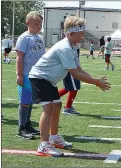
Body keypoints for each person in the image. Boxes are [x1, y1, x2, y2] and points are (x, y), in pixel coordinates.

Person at [29, 15, 111, 157]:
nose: (83, 36)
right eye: (81, 33)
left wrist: (95, 80)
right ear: (71, 34)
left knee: (57, 105)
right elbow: (75, 74)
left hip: (48, 80)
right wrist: (96, 82)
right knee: (48, 109)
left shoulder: (72, 46)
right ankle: (43, 145)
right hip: (40, 77)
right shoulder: (65, 48)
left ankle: (54, 138)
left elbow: (79, 69)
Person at [15, 11, 45, 140]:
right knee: (24, 102)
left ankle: (27, 125)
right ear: (28, 23)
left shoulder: (39, 38)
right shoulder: (24, 38)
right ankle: (21, 128)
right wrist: (20, 75)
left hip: (36, 75)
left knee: (31, 102)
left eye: (40, 24)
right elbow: (19, 57)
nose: (39, 26)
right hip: (26, 75)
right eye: (36, 24)